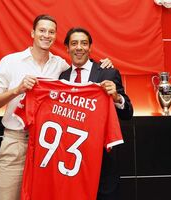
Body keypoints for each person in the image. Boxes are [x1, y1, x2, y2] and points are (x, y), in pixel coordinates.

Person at [0, 15, 112, 200]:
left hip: (49, 146)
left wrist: (104, 66)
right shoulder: (11, 62)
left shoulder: (60, 66)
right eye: (42, 30)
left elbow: (82, 74)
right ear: (33, 33)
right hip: (17, 142)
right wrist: (17, 90)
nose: (46, 35)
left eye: (51, 32)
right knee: (6, 196)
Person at [59, 27, 133, 200]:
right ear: (67, 48)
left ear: (90, 48)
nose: (79, 47)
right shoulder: (61, 77)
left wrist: (116, 96)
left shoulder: (108, 72)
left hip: (102, 161)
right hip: (69, 158)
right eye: (74, 43)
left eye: (84, 43)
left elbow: (128, 112)